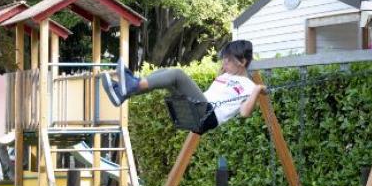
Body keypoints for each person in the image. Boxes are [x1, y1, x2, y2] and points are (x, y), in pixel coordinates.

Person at [101, 40, 265, 134]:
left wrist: (257, 90)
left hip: (207, 115)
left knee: (177, 75)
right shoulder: (225, 75)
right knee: (166, 72)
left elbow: (244, 113)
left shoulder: (249, 86)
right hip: (199, 108)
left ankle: (132, 85)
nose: (225, 62)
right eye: (225, 59)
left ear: (242, 62)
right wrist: (223, 72)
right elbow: (219, 90)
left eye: (229, 60)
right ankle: (123, 94)